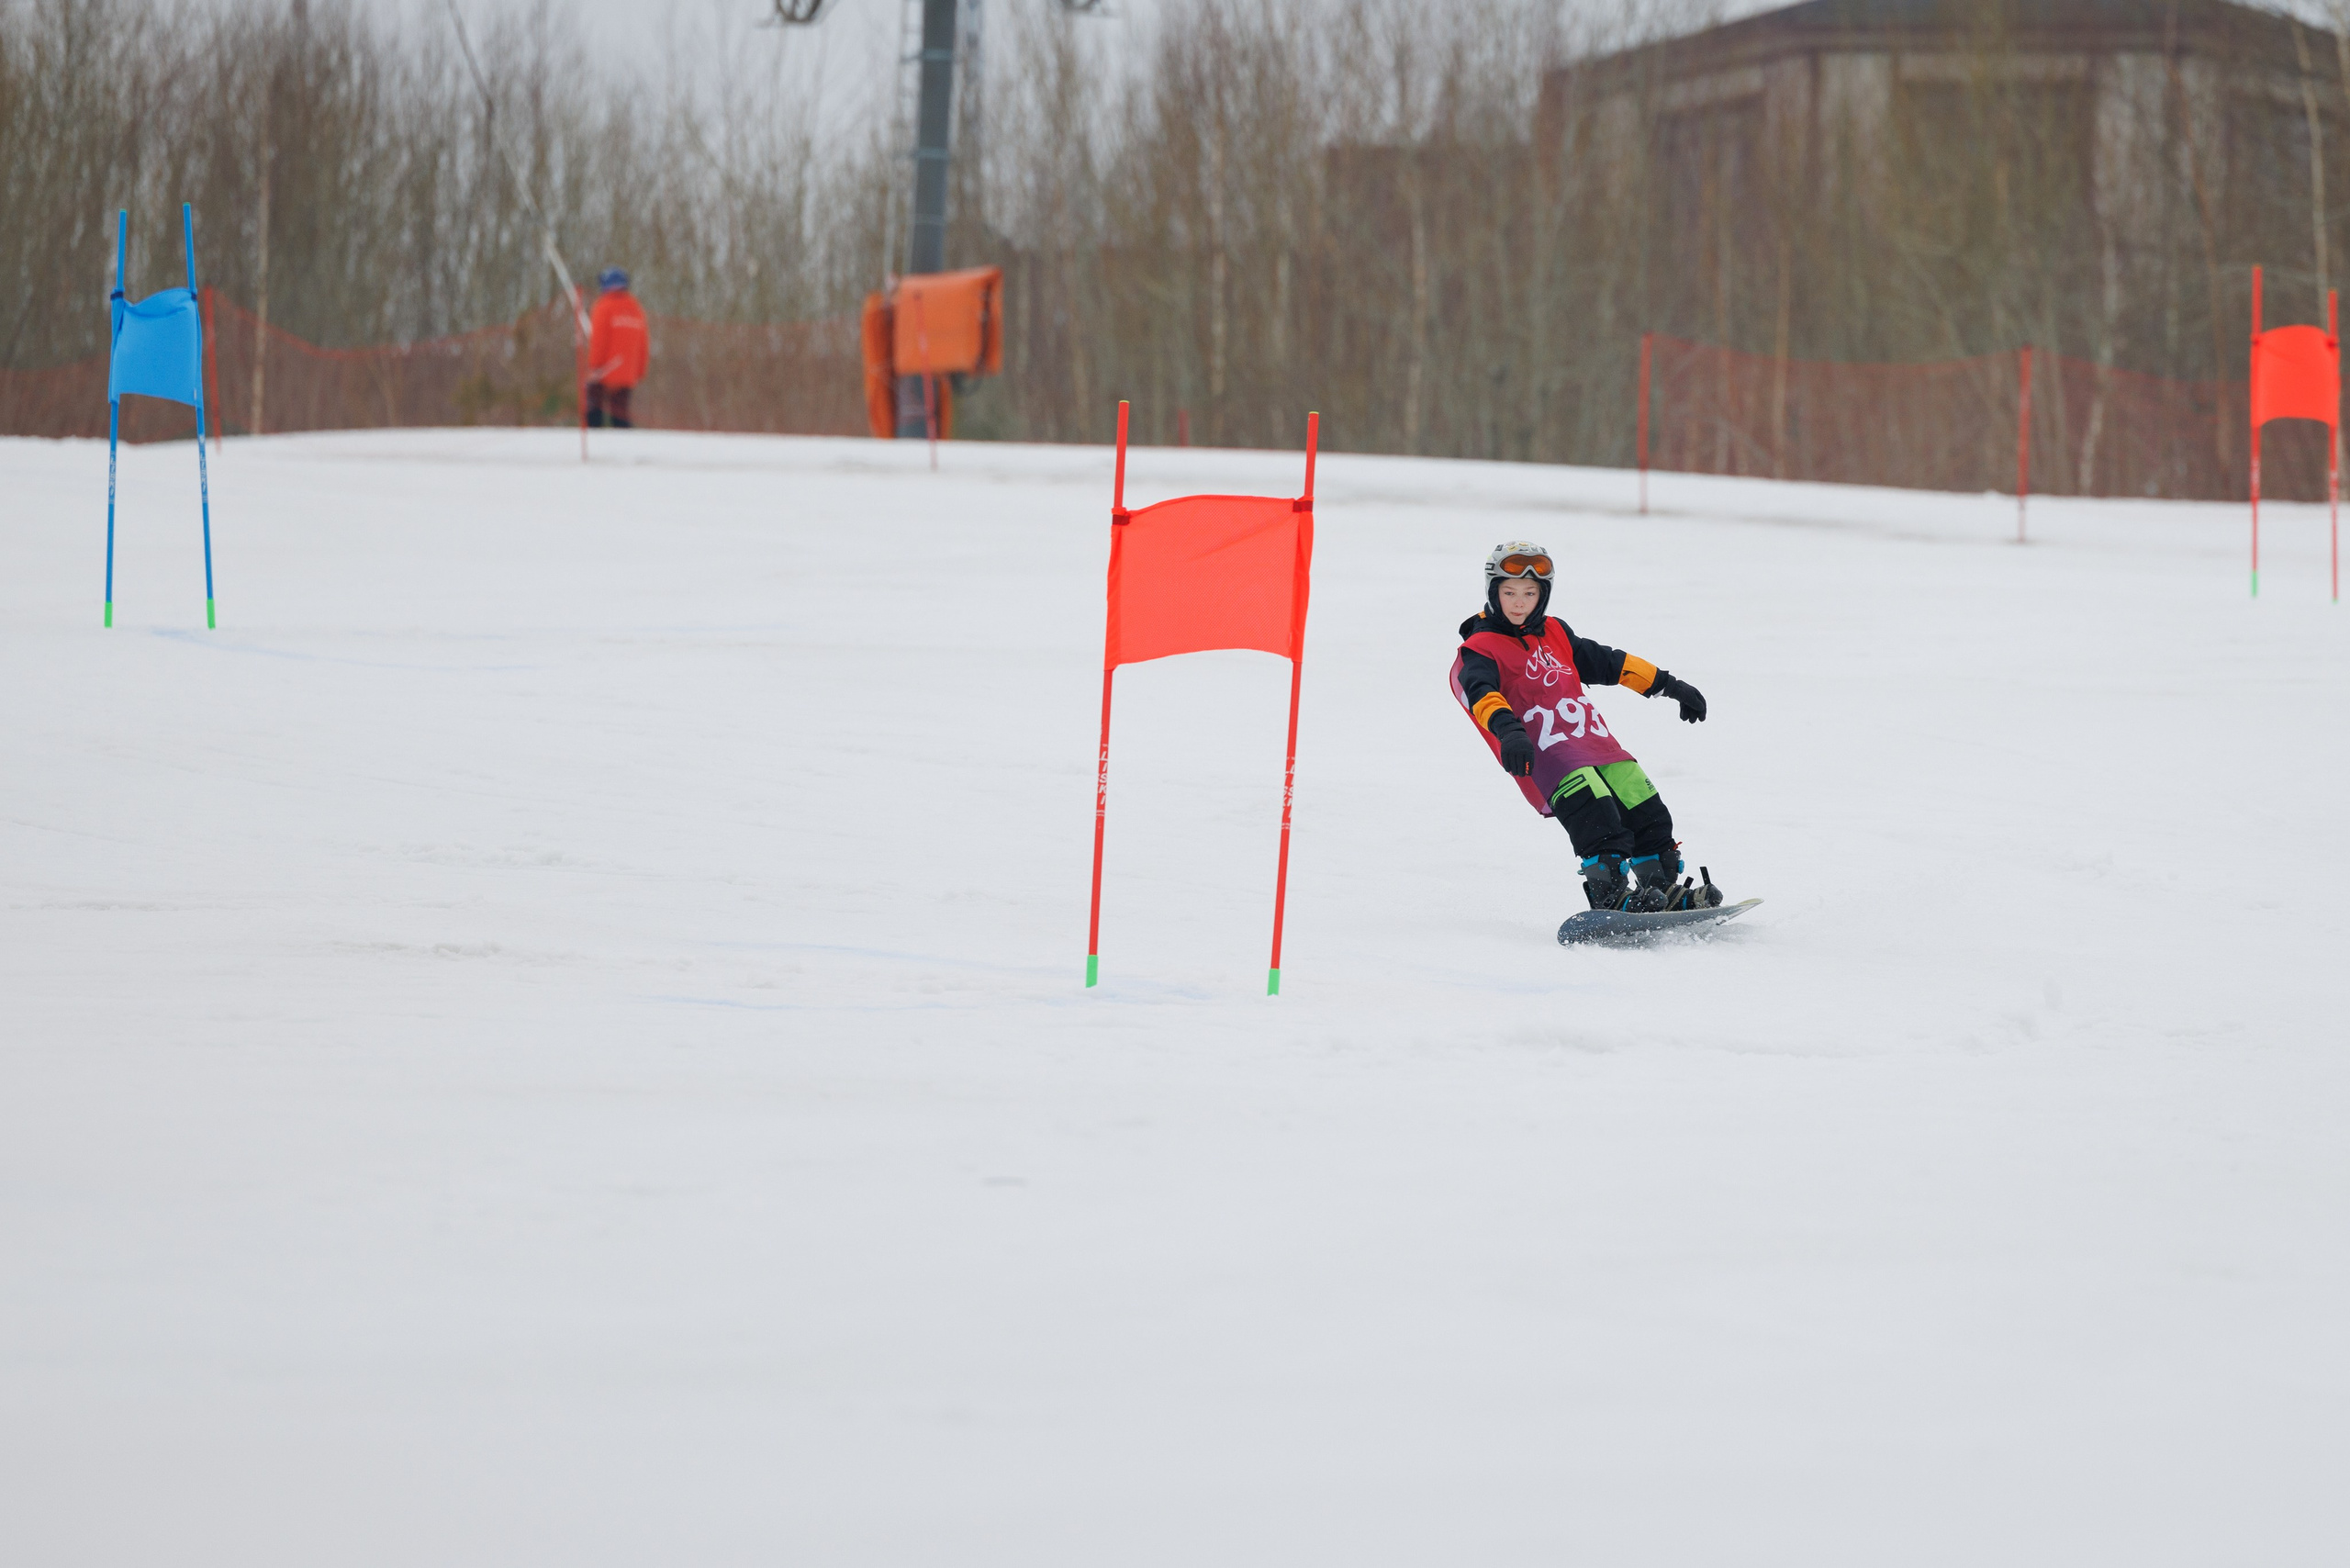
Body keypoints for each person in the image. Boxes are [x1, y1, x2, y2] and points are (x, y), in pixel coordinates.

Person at [1449, 541, 1724, 913]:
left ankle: (1662, 888)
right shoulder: (1481, 647)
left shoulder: (1555, 632)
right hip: (1547, 753)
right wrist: (1508, 731)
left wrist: (1669, 685)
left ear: (1543, 595)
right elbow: (1481, 693)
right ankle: (1609, 895)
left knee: (1645, 807)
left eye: (1530, 593)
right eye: (1509, 592)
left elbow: (1610, 662)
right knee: (1597, 814)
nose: (1519, 602)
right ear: (1493, 592)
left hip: (1595, 742)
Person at [585, 266, 648, 429]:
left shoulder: (603, 306)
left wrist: (594, 366)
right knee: (620, 414)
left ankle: (594, 439)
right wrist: (640, 371)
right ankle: (625, 442)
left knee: (594, 410)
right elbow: (643, 344)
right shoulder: (636, 308)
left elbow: (599, 341)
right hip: (628, 373)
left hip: (604, 371)